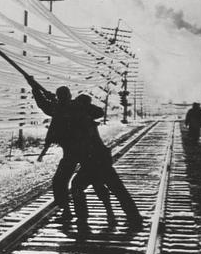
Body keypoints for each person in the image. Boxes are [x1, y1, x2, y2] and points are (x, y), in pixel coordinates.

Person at [29, 78, 142, 234]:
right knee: (113, 186)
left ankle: (81, 218)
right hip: (91, 155)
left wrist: (36, 90)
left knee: (78, 185)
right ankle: (131, 216)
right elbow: (96, 112)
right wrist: (38, 90)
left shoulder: (65, 109)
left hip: (89, 156)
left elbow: (45, 106)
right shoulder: (76, 108)